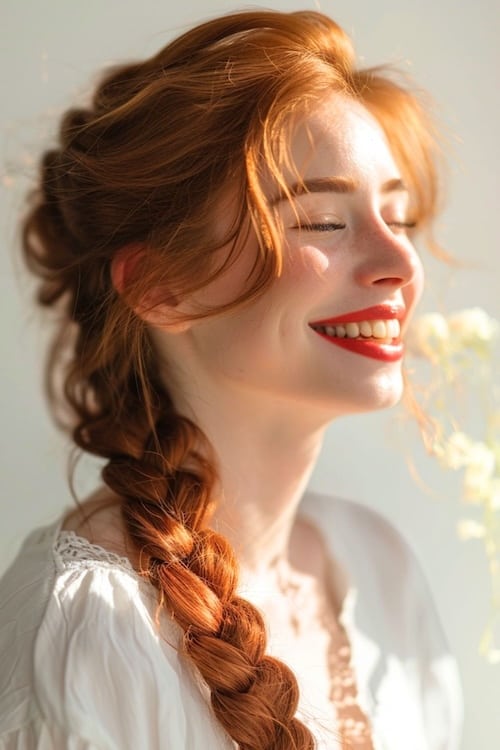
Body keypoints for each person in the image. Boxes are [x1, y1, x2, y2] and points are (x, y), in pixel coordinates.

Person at [0, 8, 463, 750]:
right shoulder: (87, 630)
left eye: (398, 217)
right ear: (162, 287)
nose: (402, 264)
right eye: (320, 220)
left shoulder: (379, 570)